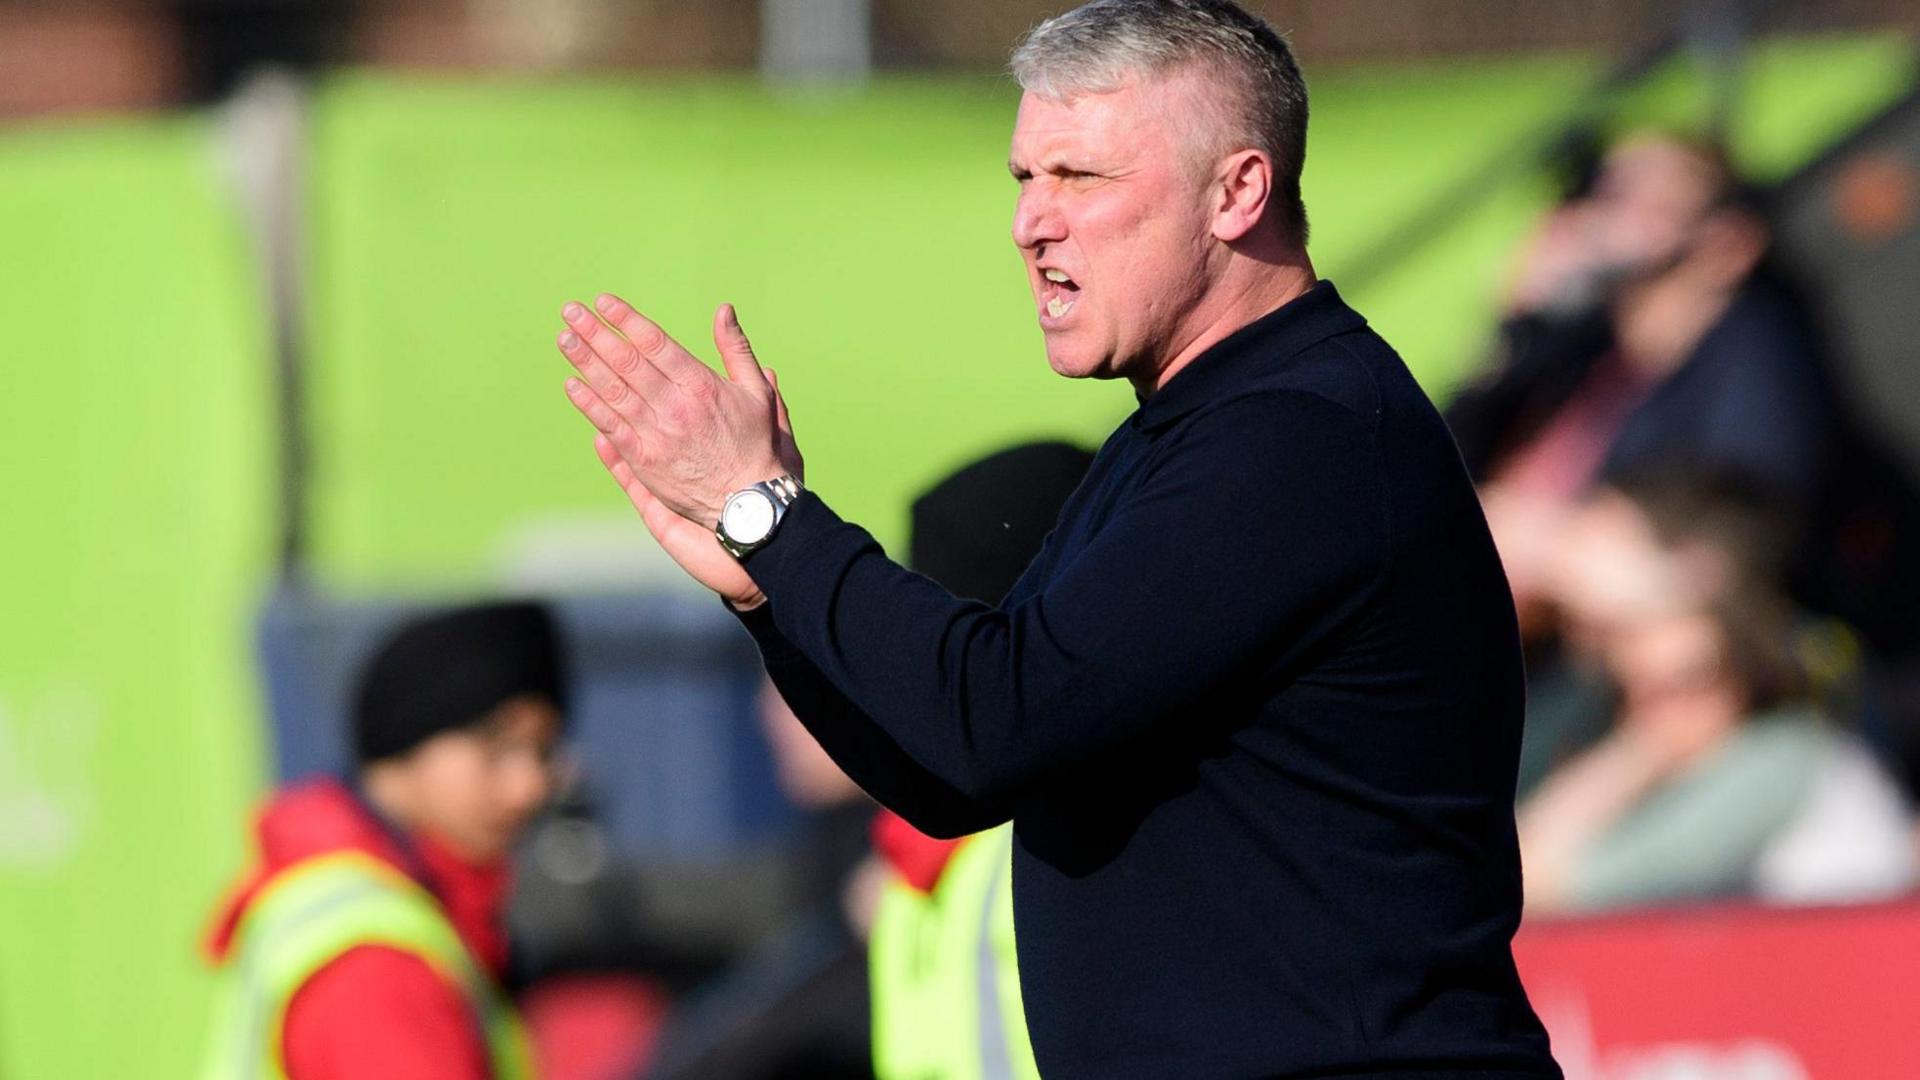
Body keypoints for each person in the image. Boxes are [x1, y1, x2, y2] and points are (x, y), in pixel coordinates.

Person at [552, 1, 1559, 1075]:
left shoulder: (1301, 437)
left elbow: (1000, 718)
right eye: (1024, 180)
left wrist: (775, 521)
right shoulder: (1190, 429)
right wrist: (767, 590)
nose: (1034, 222)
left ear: (1238, 192)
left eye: (1080, 179)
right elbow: (955, 776)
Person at [201, 602, 566, 1080]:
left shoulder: (365, 899)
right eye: (495, 749)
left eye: (543, 751)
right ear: (406, 741)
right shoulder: (378, 964)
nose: (530, 786)